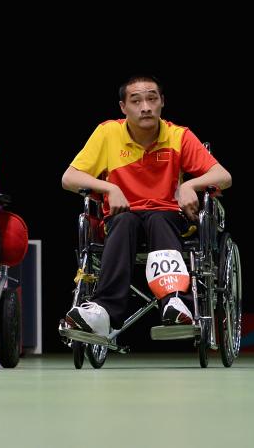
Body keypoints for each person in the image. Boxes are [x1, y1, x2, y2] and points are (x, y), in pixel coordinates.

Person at [61, 76, 232, 339]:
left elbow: (223, 176)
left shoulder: (179, 136)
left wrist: (190, 186)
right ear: (123, 107)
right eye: (136, 100)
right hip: (122, 219)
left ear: (162, 102)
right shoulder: (107, 133)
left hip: (168, 218)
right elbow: (69, 178)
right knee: (124, 221)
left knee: (159, 218)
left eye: (152, 98)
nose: (145, 107)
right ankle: (104, 313)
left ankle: (175, 303)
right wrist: (110, 188)